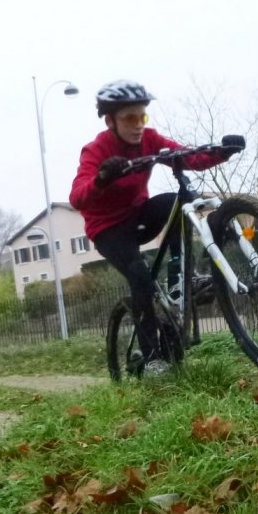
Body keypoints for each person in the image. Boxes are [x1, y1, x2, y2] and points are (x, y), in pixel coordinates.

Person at [69, 79, 244, 375]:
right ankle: (152, 358)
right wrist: (102, 178)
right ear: (110, 120)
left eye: (142, 117)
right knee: (139, 277)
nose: (138, 125)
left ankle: (180, 279)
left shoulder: (149, 139)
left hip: (138, 215)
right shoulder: (96, 149)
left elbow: (186, 156)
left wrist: (222, 152)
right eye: (129, 118)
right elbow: (77, 196)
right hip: (109, 230)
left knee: (176, 202)